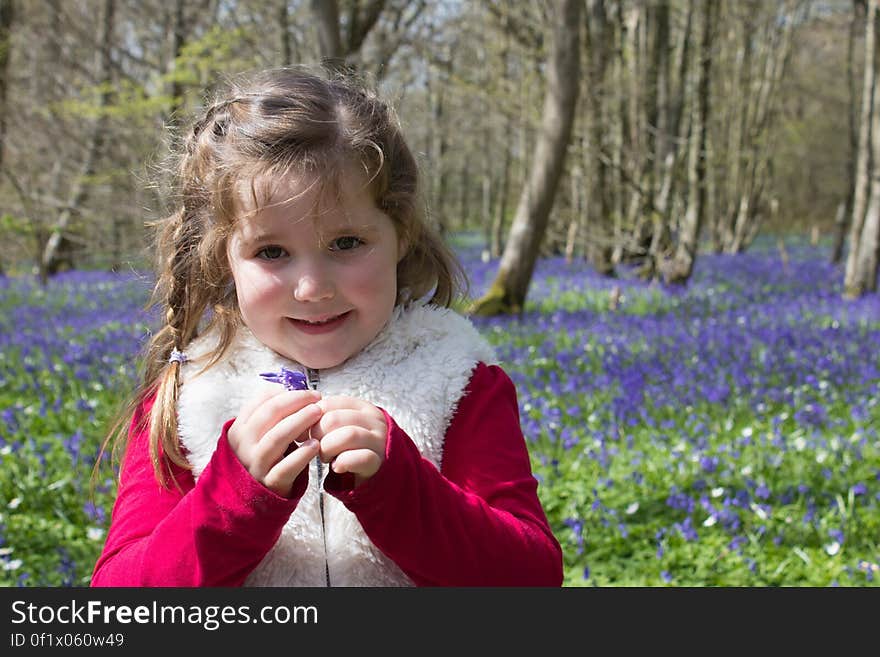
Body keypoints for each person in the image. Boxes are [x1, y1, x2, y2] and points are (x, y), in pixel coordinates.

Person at [90, 66, 563, 587]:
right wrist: (233, 497)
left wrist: (402, 489)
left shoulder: (459, 381)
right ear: (224, 257)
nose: (312, 288)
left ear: (400, 233)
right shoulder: (185, 399)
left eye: (346, 243)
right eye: (272, 252)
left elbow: (531, 576)